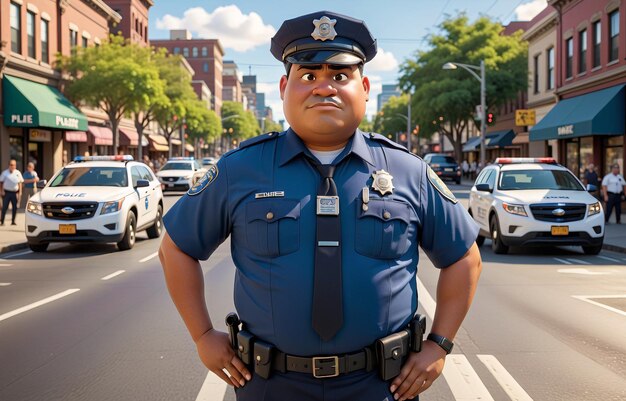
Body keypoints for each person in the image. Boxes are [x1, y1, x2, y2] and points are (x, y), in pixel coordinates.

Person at [159, 11, 482, 401]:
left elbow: (464, 258)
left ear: (363, 87)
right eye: (308, 76)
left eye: (339, 76)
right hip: (270, 386)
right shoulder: (238, 170)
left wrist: (439, 345)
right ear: (284, 87)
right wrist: (202, 335)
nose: (323, 87)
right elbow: (175, 248)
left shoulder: (408, 171)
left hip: (384, 387)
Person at [0, 160, 23, 226]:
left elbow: (20, 183)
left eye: (14, 165)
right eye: (11, 165)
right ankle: (2, 221)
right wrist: (1, 191)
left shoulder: (18, 173)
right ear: (9, 165)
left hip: (14, 193)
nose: (13, 166)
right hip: (6, 193)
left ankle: (13, 221)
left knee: (15, 207)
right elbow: (1, 183)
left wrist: (20, 192)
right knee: (4, 207)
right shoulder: (5, 173)